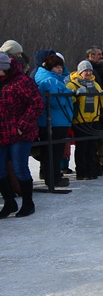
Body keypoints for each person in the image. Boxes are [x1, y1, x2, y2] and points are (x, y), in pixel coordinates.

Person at [0, 53, 44, 218]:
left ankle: (28, 202)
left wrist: (22, 126)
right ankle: (9, 202)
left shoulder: (22, 81)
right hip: (2, 132)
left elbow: (37, 103)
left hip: (20, 133)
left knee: (19, 167)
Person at [35, 53, 73, 188]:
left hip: (57, 120)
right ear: (50, 67)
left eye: (61, 67)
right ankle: (54, 178)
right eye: (57, 67)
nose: (60, 70)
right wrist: (68, 94)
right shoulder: (50, 81)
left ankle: (52, 176)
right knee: (54, 151)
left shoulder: (54, 80)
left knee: (53, 151)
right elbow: (54, 101)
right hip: (54, 121)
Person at [67, 60, 103, 180]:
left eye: (90, 70)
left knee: (91, 146)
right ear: (80, 72)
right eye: (86, 71)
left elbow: (101, 103)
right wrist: (76, 95)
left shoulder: (95, 84)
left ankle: (90, 170)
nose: (89, 73)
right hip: (80, 120)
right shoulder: (72, 85)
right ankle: (81, 171)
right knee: (82, 147)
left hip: (93, 119)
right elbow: (69, 101)